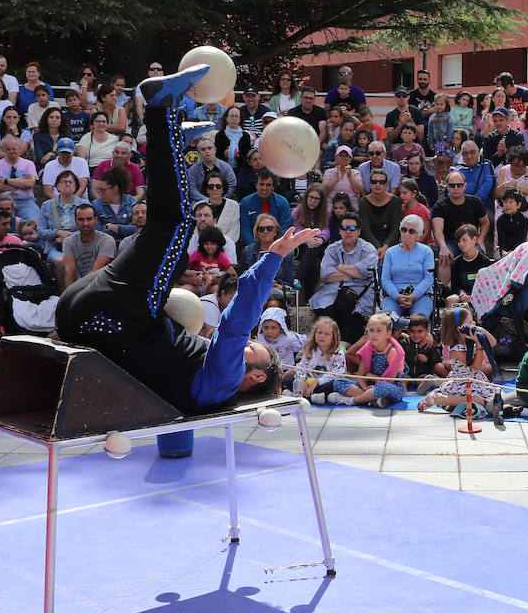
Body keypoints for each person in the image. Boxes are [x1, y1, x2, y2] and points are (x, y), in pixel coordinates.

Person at [55, 67, 317, 411]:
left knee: (175, 223)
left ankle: (160, 108)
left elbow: (238, 322)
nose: (248, 342)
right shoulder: (198, 395)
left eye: (254, 348)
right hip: (81, 320)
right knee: (174, 280)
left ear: (254, 376)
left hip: (113, 314)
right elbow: (177, 432)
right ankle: (171, 139)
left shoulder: (225, 380)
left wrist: (274, 256)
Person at [308, 211, 378, 340]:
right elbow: (326, 275)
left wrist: (337, 266)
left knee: (353, 321)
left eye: (352, 228)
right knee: (325, 318)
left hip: (359, 294)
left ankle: (344, 352)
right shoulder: (332, 249)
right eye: (344, 228)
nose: (348, 231)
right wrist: (356, 271)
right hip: (333, 292)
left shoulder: (369, 249)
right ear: (339, 231)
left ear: (359, 231)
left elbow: (367, 272)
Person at [379, 214, 433, 325]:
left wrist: (414, 296)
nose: (406, 234)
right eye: (404, 230)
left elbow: (428, 278)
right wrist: (397, 296)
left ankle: (406, 324)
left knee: (419, 321)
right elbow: (385, 279)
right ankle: (409, 325)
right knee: (385, 321)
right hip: (395, 295)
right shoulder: (390, 252)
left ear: (418, 235)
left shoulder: (426, 251)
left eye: (411, 231)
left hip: (421, 295)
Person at [60, 203, 116, 290]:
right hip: (80, 287)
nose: (85, 223)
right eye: (81, 219)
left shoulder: (107, 241)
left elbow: (95, 272)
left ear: (96, 220)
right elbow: (70, 272)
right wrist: (68, 296)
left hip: (103, 288)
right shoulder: (69, 242)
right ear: (75, 221)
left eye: (89, 219)